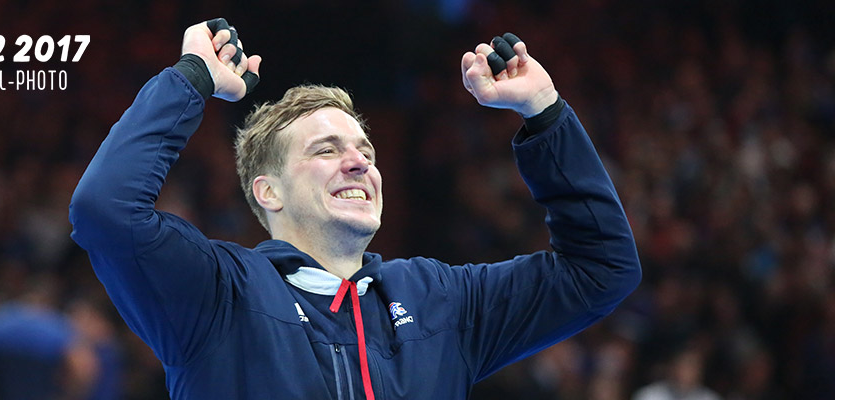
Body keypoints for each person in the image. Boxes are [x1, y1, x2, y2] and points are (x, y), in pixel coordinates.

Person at [68, 18, 640, 399]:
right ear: (268, 192)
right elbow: (106, 210)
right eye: (326, 150)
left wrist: (544, 111)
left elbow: (601, 269)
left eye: (365, 151)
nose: (358, 162)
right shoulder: (217, 294)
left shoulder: (441, 301)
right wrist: (191, 80)